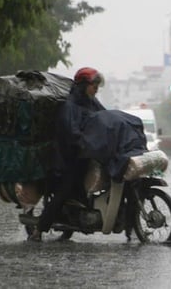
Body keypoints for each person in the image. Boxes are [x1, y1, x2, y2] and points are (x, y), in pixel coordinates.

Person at [29, 67, 106, 242]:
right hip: (68, 160)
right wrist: (86, 143)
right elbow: (72, 134)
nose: (96, 89)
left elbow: (106, 117)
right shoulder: (69, 106)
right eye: (93, 85)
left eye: (97, 86)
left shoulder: (92, 103)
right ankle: (39, 230)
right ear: (83, 85)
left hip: (86, 156)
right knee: (65, 191)